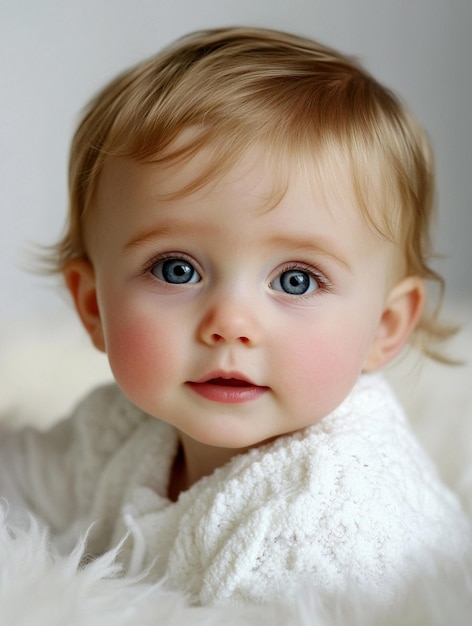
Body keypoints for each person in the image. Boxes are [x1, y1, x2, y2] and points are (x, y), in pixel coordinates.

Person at [1, 27, 470, 609]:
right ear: (94, 305)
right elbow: (21, 478)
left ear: (385, 327)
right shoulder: (119, 433)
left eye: (295, 280)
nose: (230, 323)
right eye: (176, 269)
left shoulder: (331, 521)